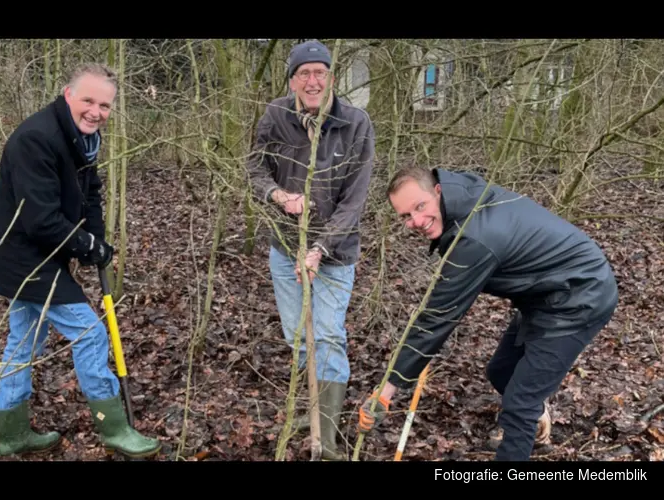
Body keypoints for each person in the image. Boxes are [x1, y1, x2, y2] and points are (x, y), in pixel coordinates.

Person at [357, 165, 618, 461]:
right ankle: (536, 411)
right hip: (543, 293)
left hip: (579, 298)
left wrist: (386, 391)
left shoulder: (474, 239)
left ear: (438, 192)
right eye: (406, 216)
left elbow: (436, 319)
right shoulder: (464, 199)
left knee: (519, 404)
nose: (416, 221)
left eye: (420, 207)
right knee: (501, 372)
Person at [0, 63, 161, 459]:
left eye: (105, 105)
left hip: (41, 254)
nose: (97, 111)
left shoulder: (81, 138)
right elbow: (40, 219)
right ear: (67, 95)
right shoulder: (36, 139)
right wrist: (84, 246)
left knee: (23, 342)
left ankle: (11, 434)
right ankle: (114, 428)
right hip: (22, 259)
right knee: (90, 334)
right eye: (89, 101)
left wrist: (97, 238)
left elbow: (90, 191)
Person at [246, 40, 376, 460]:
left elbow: (354, 202)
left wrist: (320, 247)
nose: (313, 80)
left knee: (328, 335)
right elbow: (254, 165)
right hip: (284, 248)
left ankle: (330, 435)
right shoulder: (275, 115)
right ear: (293, 80)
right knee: (298, 336)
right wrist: (277, 195)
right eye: (304, 73)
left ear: (332, 78)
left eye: (320, 72)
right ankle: (314, 411)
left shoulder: (355, 124)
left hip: (336, 255)